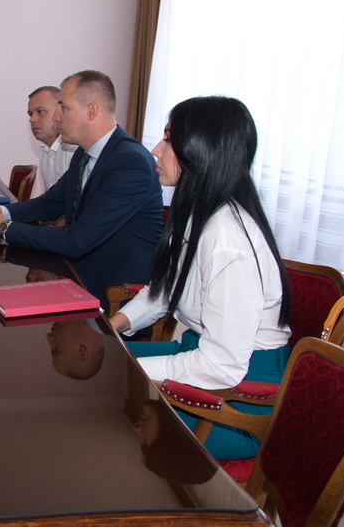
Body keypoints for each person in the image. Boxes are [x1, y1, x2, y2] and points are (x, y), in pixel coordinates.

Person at [108, 95, 292, 460]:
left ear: (200, 152)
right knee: (98, 369)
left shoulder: (228, 240)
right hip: (200, 359)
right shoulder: (200, 213)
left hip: (238, 404)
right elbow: (163, 292)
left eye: (169, 139)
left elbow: (222, 366)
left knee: (104, 416)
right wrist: (110, 329)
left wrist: (130, 371)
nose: (156, 150)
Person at [0, 70, 163, 306]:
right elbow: (50, 203)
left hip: (114, 292)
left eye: (63, 107)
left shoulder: (130, 163)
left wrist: (2, 227)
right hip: (78, 273)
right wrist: (1, 211)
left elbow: (77, 241)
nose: (56, 117)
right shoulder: (85, 152)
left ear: (91, 111)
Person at [27, 86, 78, 192]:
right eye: (31, 114)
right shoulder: (44, 148)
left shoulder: (73, 150)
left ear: (60, 112)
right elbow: (50, 197)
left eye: (40, 112)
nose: (32, 119)